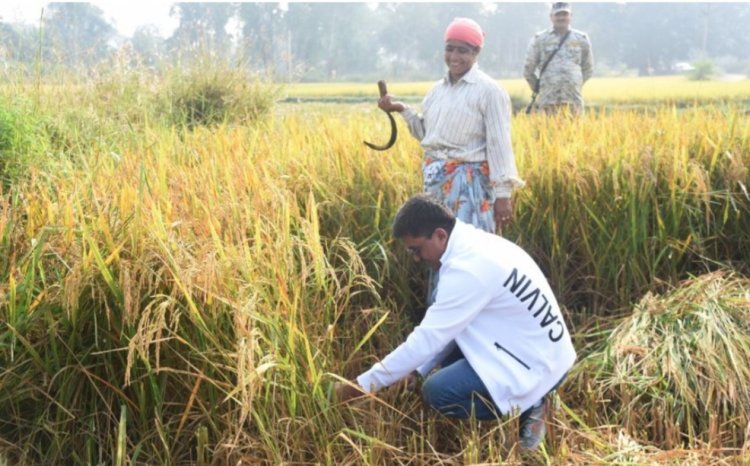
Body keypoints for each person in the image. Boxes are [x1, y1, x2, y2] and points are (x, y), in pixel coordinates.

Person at [334, 193, 577, 450]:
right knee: (441, 364)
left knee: (438, 391)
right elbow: (449, 330)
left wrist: (359, 387)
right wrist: (417, 370)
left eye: (416, 250)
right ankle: (527, 394)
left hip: (541, 363)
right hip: (535, 348)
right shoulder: (474, 244)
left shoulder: (468, 269)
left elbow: (426, 340)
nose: (416, 258)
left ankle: (531, 402)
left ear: (440, 235)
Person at [377, 17, 524, 235]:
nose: (454, 57)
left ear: (476, 53)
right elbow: (427, 135)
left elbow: (499, 145)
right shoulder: (437, 91)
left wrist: (503, 195)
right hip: (435, 185)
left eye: (463, 51)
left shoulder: (490, 91)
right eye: (450, 49)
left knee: (469, 245)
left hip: (470, 187)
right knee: (438, 247)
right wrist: (401, 109)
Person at [523, 2, 594, 114]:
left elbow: (588, 68)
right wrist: (539, 88)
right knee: (547, 130)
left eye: (564, 14)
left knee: (576, 131)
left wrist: (574, 83)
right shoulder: (540, 39)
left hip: (573, 100)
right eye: (557, 14)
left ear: (571, 16)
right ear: (551, 17)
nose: (561, 17)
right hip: (548, 100)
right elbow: (528, 70)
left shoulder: (581, 39)